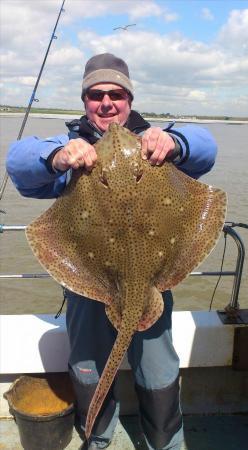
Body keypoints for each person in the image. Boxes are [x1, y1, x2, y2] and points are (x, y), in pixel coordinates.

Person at [6, 53, 217, 450]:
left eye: (116, 94)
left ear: (129, 99)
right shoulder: (71, 147)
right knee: (88, 368)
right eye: (95, 95)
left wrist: (174, 142)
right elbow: (17, 163)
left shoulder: (157, 142)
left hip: (152, 280)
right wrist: (58, 158)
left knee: (158, 371)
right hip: (90, 284)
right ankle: (97, 438)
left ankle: (165, 443)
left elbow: (206, 147)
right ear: (85, 101)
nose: (107, 103)